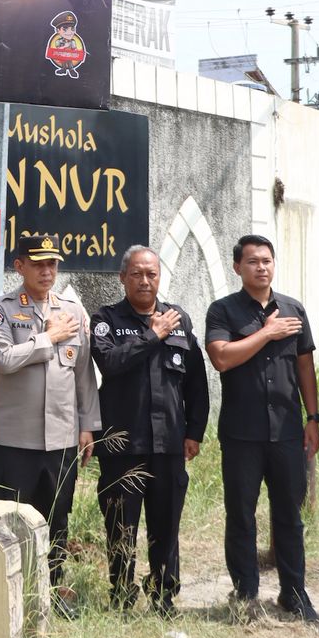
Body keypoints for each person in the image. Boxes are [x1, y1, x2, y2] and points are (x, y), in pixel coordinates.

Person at [204, 234, 319, 622]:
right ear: (237, 267)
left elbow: (304, 366)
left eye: (267, 260)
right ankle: (246, 594)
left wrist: (313, 418)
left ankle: (294, 593)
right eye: (253, 261)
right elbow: (222, 358)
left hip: (287, 431)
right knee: (241, 515)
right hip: (242, 433)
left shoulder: (293, 309)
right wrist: (266, 333)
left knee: (289, 515)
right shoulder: (223, 311)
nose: (261, 267)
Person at [90, 245, 209, 615]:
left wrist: (195, 432)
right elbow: (109, 363)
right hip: (122, 445)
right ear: (123, 277)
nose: (145, 280)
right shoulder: (107, 319)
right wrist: (152, 335)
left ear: (160, 277)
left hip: (168, 443)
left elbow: (196, 382)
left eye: (152, 274)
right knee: (120, 524)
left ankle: (163, 595)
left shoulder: (179, 319)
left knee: (166, 524)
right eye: (137, 274)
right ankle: (122, 595)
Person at [0, 231, 100, 611]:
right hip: (14, 441)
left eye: (52, 263)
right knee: (11, 520)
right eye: (38, 264)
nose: (47, 271)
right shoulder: (1, 309)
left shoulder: (72, 311)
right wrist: (48, 338)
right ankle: (12, 598)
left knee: (57, 517)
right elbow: (4, 360)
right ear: (20, 266)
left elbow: (83, 374)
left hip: (61, 438)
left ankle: (49, 593)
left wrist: (87, 426)